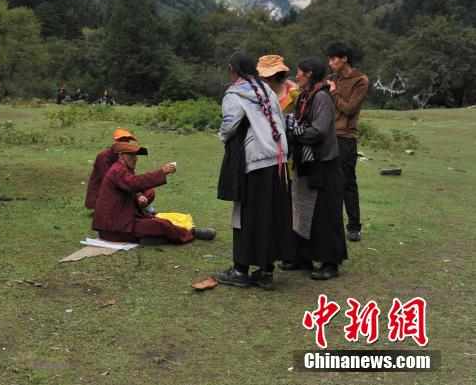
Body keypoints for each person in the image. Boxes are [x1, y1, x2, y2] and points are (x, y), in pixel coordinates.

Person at [213, 52, 292, 291]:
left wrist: (223, 137)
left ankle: (240, 270)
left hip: (253, 160)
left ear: (232, 69)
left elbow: (229, 123)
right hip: (276, 158)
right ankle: (266, 272)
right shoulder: (267, 90)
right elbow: (279, 118)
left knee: (247, 215)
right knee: (271, 215)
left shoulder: (235, 93)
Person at [283, 57, 346, 280]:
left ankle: (330, 262)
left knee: (326, 214)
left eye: (299, 72)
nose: (296, 75)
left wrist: (294, 133)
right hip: (307, 161)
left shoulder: (320, 97)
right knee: (302, 209)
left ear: (309, 74)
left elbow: (319, 129)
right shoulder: (304, 96)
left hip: (324, 163)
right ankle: (303, 256)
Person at [92, 142, 216, 245]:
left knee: (155, 220)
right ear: (121, 156)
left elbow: (129, 189)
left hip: (120, 222)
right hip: (114, 228)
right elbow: (135, 183)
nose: (135, 158)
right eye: (131, 155)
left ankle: (152, 239)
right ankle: (192, 233)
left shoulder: (122, 170)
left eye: (135, 155)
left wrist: (138, 197)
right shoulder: (117, 170)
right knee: (161, 225)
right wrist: (162, 172)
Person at [325, 42, 369, 242]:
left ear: (344, 59)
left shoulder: (360, 80)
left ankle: (354, 226)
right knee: (326, 182)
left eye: (333, 58)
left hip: (345, 137)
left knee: (347, 182)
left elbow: (350, 109)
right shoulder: (331, 79)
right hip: (327, 135)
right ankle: (330, 225)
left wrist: (333, 91)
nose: (330, 62)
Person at [85, 129, 144, 210]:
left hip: (121, 187)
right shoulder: (103, 156)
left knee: (149, 192)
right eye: (122, 141)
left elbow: (131, 176)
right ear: (115, 142)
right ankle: (132, 207)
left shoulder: (125, 154)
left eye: (127, 141)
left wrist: (139, 194)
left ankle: (136, 206)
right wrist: (134, 193)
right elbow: (108, 181)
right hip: (104, 193)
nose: (125, 144)